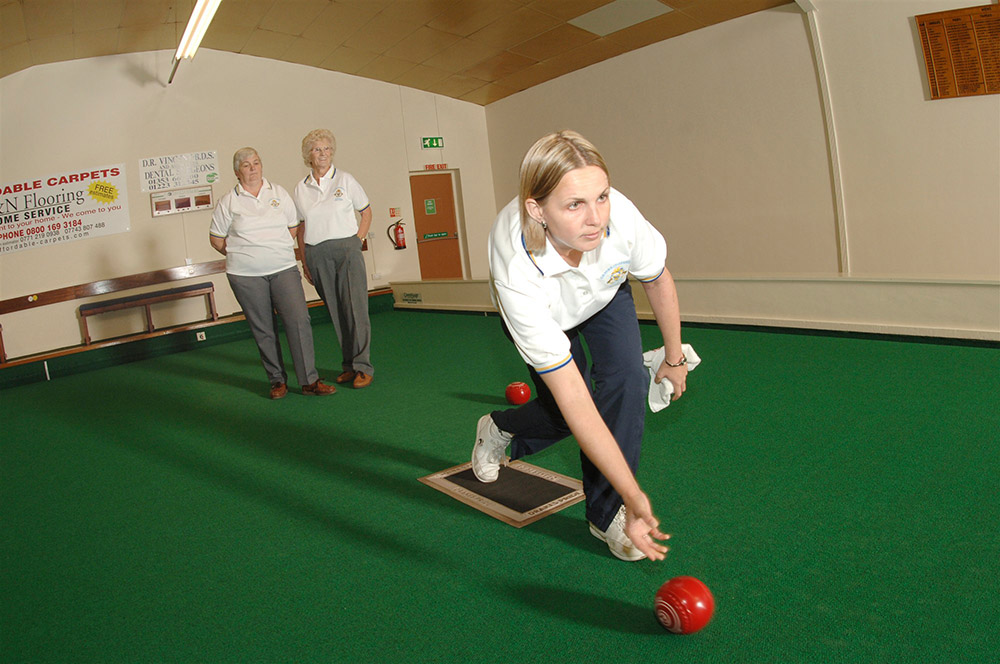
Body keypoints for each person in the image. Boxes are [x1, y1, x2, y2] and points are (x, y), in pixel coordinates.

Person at [472, 130, 689, 562]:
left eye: (602, 197)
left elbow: (657, 278)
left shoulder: (620, 217)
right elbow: (574, 397)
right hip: (547, 311)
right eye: (575, 205)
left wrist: (674, 356)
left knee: (626, 379)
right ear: (537, 210)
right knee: (565, 411)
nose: (597, 218)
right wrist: (635, 490)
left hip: (605, 296)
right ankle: (499, 427)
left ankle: (605, 513)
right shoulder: (518, 270)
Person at [210, 147, 336, 400]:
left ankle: (309, 380)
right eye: (246, 165)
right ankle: (277, 380)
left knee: (299, 321)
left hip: (282, 269)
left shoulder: (278, 193)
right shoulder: (228, 201)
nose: (253, 168)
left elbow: (293, 227)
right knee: (263, 328)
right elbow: (216, 239)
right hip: (245, 275)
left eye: (256, 163)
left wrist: (270, 249)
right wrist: (244, 253)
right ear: (237, 172)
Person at [293, 129, 374, 389]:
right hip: (317, 253)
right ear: (309, 155)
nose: (323, 154)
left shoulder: (346, 180)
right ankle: (349, 365)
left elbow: (367, 212)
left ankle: (363, 366)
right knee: (336, 311)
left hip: (346, 249)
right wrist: (305, 261)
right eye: (317, 149)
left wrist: (356, 241)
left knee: (355, 308)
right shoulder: (301, 188)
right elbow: (301, 227)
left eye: (327, 149)